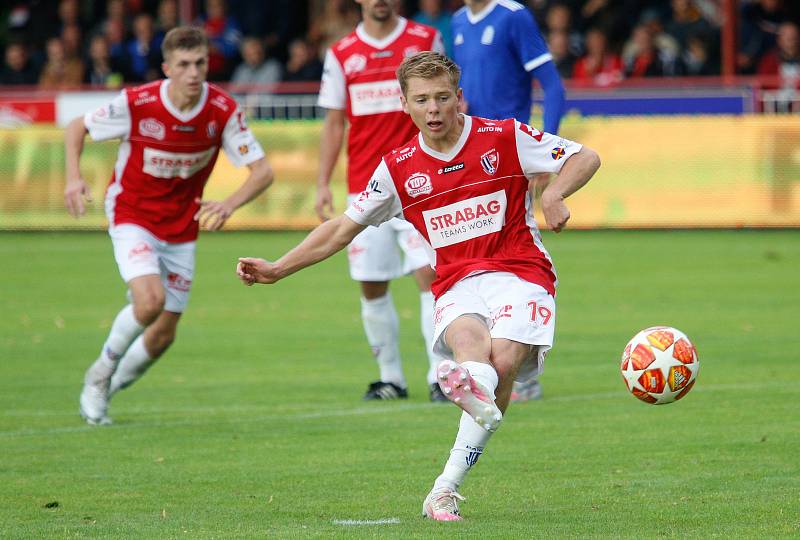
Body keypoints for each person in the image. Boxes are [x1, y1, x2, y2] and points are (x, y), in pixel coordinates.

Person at [236, 51, 600, 521]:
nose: (434, 109)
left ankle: (453, 461)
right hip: (455, 283)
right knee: (472, 348)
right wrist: (279, 267)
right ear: (404, 104)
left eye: (443, 98)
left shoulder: (504, 137)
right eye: (423, 100)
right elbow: (341, 228)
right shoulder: (397, 168)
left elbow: (583, 156)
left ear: (460, 99)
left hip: (519, 272)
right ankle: (448, 477)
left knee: (503, 359)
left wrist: (552, 192)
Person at [64, 26, 274, 425]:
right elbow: (77, 127)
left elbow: (262, 172)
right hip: (133, 214)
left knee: (162, 335)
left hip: (181, 227)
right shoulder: (138, 102)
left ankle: (107, 386)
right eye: (184, 65)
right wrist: (74, 177)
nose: (193, 73)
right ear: (166, 68)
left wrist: (229, 204)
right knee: (149, 301)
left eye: (200, 63)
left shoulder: (222, 110)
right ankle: (98, 375)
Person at [315, 0, 448, 401]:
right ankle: (391, 378)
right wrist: (323, 181)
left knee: (430, 277)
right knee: (372, 284)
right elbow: (335, 122)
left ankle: (440, 377)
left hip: (419, 184)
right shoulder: (342, 54)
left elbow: (447, 103)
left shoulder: (424, 39)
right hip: (364, 187)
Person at [452, 0, 567, 402]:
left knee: (514, 251)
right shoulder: (458, 22)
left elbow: (552, 84)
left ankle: (522, 367)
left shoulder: (513, 16)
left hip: (508, 155)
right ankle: (488, 357)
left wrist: (545, 152)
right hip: (467, 157)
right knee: (476, 255)